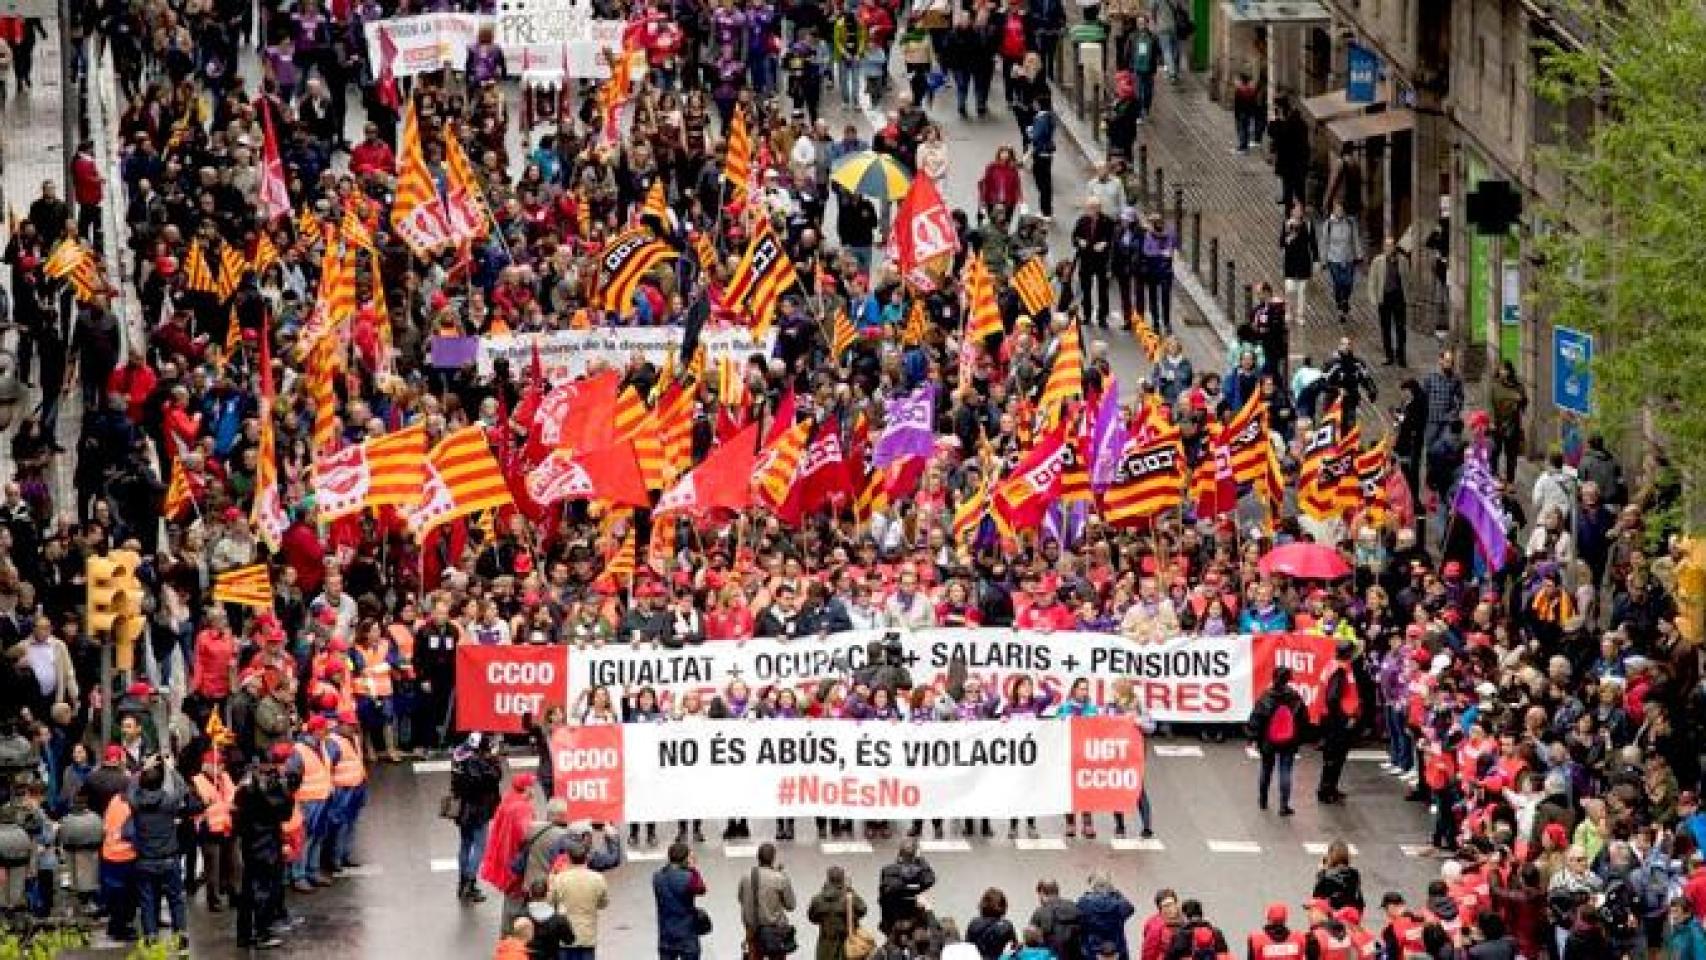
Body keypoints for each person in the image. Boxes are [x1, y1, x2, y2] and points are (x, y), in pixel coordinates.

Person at [450, 733, 503, 904]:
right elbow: (494, 778)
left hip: (462, 808)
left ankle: (462, 882)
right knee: (479, 846)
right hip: (478, 809)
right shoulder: (477, 763)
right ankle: (469, 883)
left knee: (465, 844)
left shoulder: (458, 755)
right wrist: (494, 760)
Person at [1249, 666, 1307, 816]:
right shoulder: (1295, 697)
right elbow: (1303, 720)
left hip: (1268, 741)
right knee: (1285, 771)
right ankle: (1284, 805)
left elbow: (1256, 719)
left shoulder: (1265, 696)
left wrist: (1253, 738)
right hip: (1289, 740)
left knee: (1266, 769)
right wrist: (1299, 738)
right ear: (1288, 680)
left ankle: (1263, 800)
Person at [549, 841, 610, 959]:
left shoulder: (559, 879)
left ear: (569, 858)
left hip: (565, 934)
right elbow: (603, 903)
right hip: (587, 934)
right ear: (586, 857)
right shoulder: (597, 879)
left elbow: (551, 902)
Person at [1316, 642, 1361, 805]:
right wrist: (1344, 718)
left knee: (1333, 755)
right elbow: (1333, 698)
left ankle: (1330, 788)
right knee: (1335, 756)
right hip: (1336, 720)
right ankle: (1326, 790)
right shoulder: (1340, 670)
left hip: (1330, 717)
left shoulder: (1333, 665)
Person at [740, 841, 799, 960]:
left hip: (753, 929)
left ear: (758, 857)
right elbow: (791, 905)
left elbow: (741, 898)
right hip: (775, 931)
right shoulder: (779, 878)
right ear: (773, 858)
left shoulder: (746, 877)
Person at [655, 841, 708, 960]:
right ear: (685, 859)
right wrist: (693, 869)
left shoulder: (657, 877)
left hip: (665, 933)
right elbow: (701, 889)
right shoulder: (688, 877)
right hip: (687, 933)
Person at [808, 865, 869, 960]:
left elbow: (812, 918)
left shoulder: (818, 899)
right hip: (848, 942)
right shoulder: (849, 897)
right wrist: (850, 890)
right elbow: (863, 910)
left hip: (826, 943)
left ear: (828, 879)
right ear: (842, 879)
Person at [1366, 237, 1411, 366]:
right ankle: (1389, 356)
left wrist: (1407, 296)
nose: (1388, 248)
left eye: (1391, 246)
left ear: (1394, 247)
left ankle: (1401, 356)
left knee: (1400, 328)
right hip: (1384, 298)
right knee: (1385, 328)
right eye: (1386, 246)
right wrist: (1374, 298)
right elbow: (1372, 280)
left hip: (1398, 298)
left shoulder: (1402, 261)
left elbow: (1407, 279)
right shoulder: (1377, 261)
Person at [878, 837, 937, 934]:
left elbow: (883, 893)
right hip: (915, 918)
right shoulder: (921, 874)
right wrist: (921, 860)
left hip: (893, 918)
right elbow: (930, 878)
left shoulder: (888, 870)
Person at [1079, 872, 1137, 960]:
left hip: (1093, 949)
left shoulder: (1085, 903)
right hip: (1116, 948)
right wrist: (1116, 893)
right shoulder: (1118, 903)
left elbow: (1077, 913)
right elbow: (1130, 908)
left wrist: (1086, 894)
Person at [1320, 201, 1361, 323]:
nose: (1339, 212)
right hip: (1334, 258)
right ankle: (1340, 307)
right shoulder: (1328, 224)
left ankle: (1345, 300)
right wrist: (1323, 259)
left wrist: (1358, 254)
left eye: (1341, 209)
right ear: (1333, 211)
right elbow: (1324, 243)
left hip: (1348, 257)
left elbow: (1355, 239)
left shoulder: (1350, 222)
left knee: (1348, 282)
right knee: (1338, 282)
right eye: (1337, 209)